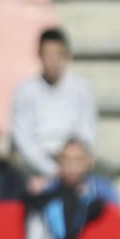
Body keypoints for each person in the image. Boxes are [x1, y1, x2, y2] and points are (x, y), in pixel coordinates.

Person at [10, 28, 97, 187]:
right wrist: (51, 169)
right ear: (39, 55)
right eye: (47, 54)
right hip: (35, 161)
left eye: (57, 54)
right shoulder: (25, 90)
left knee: (105, 173)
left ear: (66, 55)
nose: (52, 60)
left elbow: (86, 132)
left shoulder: (82, 88)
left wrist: (72, 163)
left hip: (73, 158)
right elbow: (23, 140)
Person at [23, 138, 120, 239]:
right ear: (59, 162)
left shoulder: (103, 190)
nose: (72, 166)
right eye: (66, 160)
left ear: (89, 162)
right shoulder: (49, 190)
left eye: (77, 160)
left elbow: (117, 220)